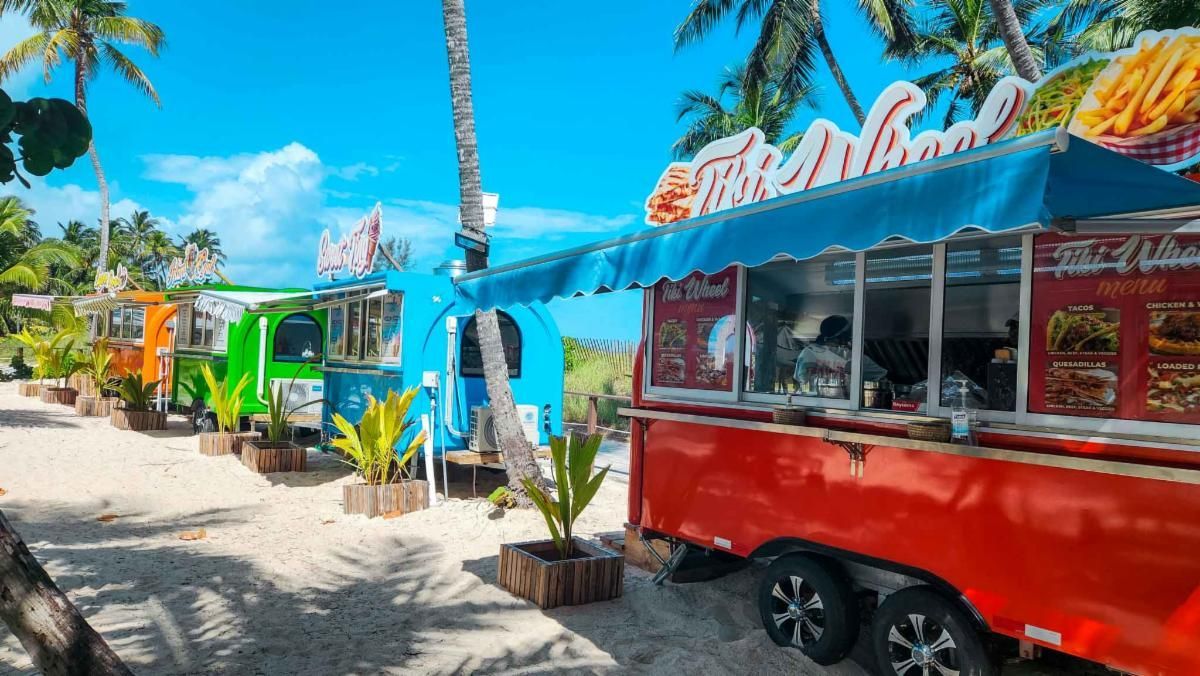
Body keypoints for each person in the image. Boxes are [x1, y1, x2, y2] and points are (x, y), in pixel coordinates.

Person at [793, 315, 887, 393]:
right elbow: (882, 378)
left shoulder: (807, 352)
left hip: (806, 404)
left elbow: (799, 379)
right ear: (845, 335)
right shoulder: (853, 358)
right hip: (842, 408)